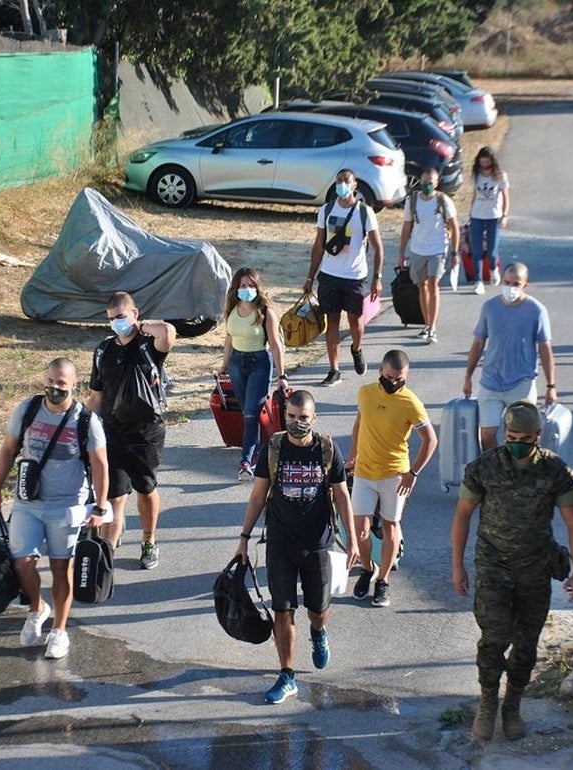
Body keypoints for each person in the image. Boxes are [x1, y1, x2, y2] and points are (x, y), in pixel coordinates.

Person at [450, 400, 573, 741]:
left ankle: (512, 706)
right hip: (493, 565)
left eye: (523, 438)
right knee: (495, 638)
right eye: (510, 436)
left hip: (535, 567)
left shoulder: (555, 471)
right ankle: (487, 704)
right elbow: (463, 515)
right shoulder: (485, 468)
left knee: (526, 643)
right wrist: (458, 566)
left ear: (538, 436)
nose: (515, 443)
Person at [235, 390, 358, 704]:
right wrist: (244, 538)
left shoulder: (327, 448)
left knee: (318, 610)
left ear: (313, 418)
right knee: (283, 609)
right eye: (291, 416)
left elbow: (342, 496)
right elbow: (258, 496)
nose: (297, 423)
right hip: (280, 541)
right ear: (284, 415)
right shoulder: (273, 448)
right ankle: (287, 675)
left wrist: (354, 538)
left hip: (318, 543)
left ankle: (318, 633)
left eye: (303, 418)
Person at [0, 358, 111, 660]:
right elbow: (7, 449)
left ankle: (59, 631)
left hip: (67, 507)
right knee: (23, 563)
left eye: (62, 384)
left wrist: (99, 505)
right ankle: (37, 609)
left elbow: (100, 464)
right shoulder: (28, 409)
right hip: (28, 504)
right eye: (51, 382)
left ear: (73, 386)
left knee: (61, 570)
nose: (55, 388)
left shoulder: (85, 420)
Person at [86, 292, 176, 569]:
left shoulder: (149, 346)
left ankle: (149, 540)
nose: (116, 324)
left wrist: (141, 326)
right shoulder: (103, 351)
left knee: (145, 489)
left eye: (121, 317)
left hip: (146, 433)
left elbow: (169, 333)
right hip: (112, 432)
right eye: (112, 319)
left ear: (134, 314)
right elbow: (96, 396)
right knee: (113, 496)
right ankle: (105, 556)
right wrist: (82, 426)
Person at [347, 349, 438, 608]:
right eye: (390, 377)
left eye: (400, 379)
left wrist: (413, 472)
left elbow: (430, 440)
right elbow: (359, 424)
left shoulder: (411, 403)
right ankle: (368, 569)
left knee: (390, 528)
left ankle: (383, 580)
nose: (394, 383)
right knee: (361, 530)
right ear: (380, 372)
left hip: (394, 476)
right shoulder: (365, 393)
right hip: (364, 472)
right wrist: (353, 455)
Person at [463, 262, 557, 451]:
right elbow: (478, 343)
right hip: (491, 383)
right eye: (507, 282)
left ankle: (518, 476)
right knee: (487, 437)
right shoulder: (489, 307)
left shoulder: (536, 310)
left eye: (516, 284)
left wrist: (551, 386)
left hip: (521, 384)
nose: (510, 288)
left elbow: (545, 349)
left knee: (520, 438)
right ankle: (498, 473)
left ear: (525, 285)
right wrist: (468, 377)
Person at [304, 168, 385, 387]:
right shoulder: (327, 210)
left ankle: (356, 349)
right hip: (329, 275)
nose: (342, 185)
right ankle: (334, 369)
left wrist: (377, 277)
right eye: (339, 180)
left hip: (355, 276)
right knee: (332, 322)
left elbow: (378, 248)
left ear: (354, 185)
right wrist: (310, 277)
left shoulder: (364, 212)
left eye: (346, 181)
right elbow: (319, 245)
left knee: (355, 321)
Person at [219, 267, 289, 481]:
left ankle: (246, 462)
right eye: (242, 285)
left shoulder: (265, 312)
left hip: (259, 363)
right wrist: (224, 364)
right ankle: (257, 448)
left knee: (251, 414)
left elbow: (275, 345)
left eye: (250, 285)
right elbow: (229, 338)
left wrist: (281, 375)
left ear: (258, 288)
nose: (246, 289)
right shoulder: (232, 308)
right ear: (236, 288)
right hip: (237, 363)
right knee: (246, 411)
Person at [398, 167, 460, 344]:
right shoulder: (412, 201)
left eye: (430, 183)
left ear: (436, 183)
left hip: (438, 249)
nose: (426, 186)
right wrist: (401, 252)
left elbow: (454, 227)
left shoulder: (443, 201)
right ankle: (426, 324)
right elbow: (406, 227)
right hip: (418, 249)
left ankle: (433, 327)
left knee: (433, 284)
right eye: (424, 183)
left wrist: (455, 252)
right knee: (422, 286)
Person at [467, 146, 511, 296]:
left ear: (493, 162)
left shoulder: (500, 176)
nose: (485, 165)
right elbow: (474, 194)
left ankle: (493, 269)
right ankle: (478, 281)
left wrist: (505, 215)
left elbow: (506, 196)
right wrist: (470, 213)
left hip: (494, 216)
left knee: (492, 251)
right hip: (477, 216)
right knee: (477, 250)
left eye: (488, 162)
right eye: (482, 162)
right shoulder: (476, 175)